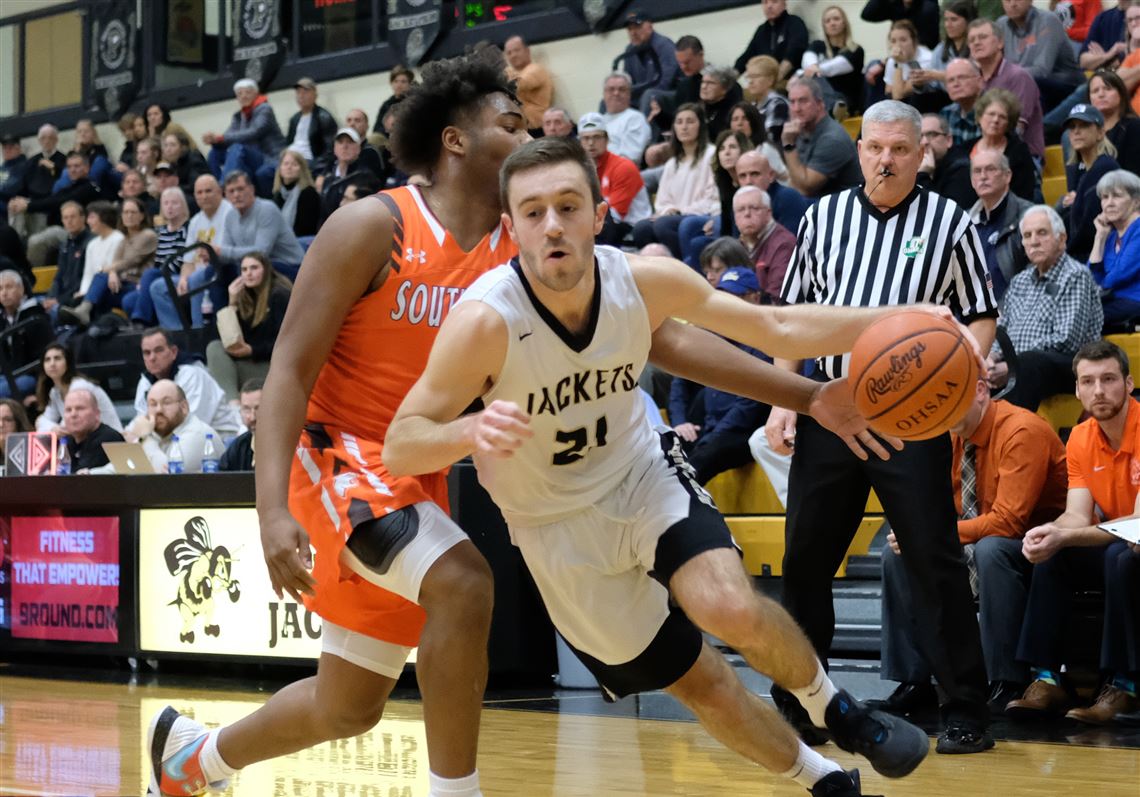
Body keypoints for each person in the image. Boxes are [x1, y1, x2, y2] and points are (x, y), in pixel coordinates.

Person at [384, 135, 938, 797]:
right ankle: (821, 778)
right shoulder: (484, 322)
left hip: (640, 475)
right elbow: (401, 443)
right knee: (701, 681)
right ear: (511, 228)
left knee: (727, 604)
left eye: (568, 206)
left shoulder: (641, 282)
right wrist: (469, 429)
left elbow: (777, 329)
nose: (552, 225)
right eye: (533, 212)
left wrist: (902, 319)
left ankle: (835, 707)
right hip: (553, 527)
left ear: (600, 214)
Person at [145, 54, 528, 797]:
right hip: (337, 458)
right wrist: (269, 511)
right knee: (464, 583)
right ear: (454, 140)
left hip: (413, 471)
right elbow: (286, 371)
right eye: (511, 123)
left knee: (348, 705)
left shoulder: (515, 248)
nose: (530, 135)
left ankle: (193, 759)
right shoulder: (373, 225)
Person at [766, 100, 999, 755]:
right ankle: (800, 700)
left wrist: (965, 375)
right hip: (831, 409)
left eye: (900, 149)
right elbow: (792, 315)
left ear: (922, 153)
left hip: (911, 418)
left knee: (933, 559)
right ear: (860, 150)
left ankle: (965, 709)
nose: (886, 160)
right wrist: (783, 400)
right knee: (804, 561)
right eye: (875, 148)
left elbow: (980, 312)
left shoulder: (951, 221)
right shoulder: (822, 218)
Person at [875, 380, 1067, 717]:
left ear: (979, 390)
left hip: (1042, 548)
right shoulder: (946, 437)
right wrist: (915, 534)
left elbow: (1008, 523)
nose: (940, 408)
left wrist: (930, 535)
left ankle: (1006, 680)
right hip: (982, 539)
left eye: (947, 396)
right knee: (897, 555)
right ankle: (916, 681)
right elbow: (932, 509)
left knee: (991, 550)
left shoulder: (1021, 430)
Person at [1005, 340, 1140, 724]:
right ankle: (1047, 678)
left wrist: (1066, 535)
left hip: (1133, 543)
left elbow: (1136, 526)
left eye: (1109, 379)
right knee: (1054, 552)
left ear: (1129, 384)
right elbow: (1076, 516)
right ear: (1077, 390)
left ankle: (1124, 685)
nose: (1099, 390)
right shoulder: (1080, 436)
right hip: (1123, 542)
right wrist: (1048, 532)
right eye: (1088, 381)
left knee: (1119, 558)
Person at [986, 205, 1103, 411]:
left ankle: (1014, 428)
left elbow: (1066, 340)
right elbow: (1001, 330)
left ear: (1062, 239)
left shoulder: (1075, 275)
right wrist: (992, 358)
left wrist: (1012, 365)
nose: (1034, 241)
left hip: (1072, 365)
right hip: (1022, 364)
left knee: (1031, 362)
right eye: (1027, 235)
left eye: (1042, 233)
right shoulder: (1020, 280)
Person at [668, 266, 773, 484]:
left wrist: (711, 437)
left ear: (755, 297)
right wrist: (680, 422)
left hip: (742, 432)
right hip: (711, 426)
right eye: (724, 297)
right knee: (668, 447)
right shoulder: (712, 335)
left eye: (736, 296)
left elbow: (747, 408)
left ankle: (677, 500)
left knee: (705, 456)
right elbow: (679, 381)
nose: (730, 303)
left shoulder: (764, 343)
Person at [631, 104, 718, 257]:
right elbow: (662, 200)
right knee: (641, 228)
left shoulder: (711, 155)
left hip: (702, 214)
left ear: (701, 126)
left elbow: (712, 197)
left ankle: (682, 267)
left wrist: (680, 211)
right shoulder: (672, 163)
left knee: (663, 225)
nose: (684, 127)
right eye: (679, 122)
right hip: (675, 216)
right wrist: (668, 210)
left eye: (690, 121)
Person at [150, 174, 234, 330]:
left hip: (222, 269)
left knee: (195, 279)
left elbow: (230, 251)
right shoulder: (196, 221)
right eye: (200, 192)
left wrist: (212, 255)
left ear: (219, 191)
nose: (204, 196)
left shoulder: (229, 212)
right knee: (158, 286)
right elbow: (188, 261)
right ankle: (176, 332)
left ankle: (198, 329)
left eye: (208, 191)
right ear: (194, 196)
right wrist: (183, 278)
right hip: (197, 272)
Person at [59, 196, 157, 328]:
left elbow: (130, 261)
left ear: (142, 216)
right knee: (97, 287)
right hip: (123, 283)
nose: (129, 216)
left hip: (138, 283)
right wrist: (111, 272)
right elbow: (115, 263)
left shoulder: (148, 235)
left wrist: (108, 270)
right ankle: (88, 320)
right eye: (125, 212)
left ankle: (87, 315)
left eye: (133, 212)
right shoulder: (124, 239)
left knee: (101, 278)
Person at [206, 252, 292, 401]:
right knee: (215, 348)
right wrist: (232, 304)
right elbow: (227, 339)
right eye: (244, 269)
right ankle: (234, 404)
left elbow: (286, 345)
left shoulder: (279, 296)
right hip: (252, 362)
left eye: (254, 268)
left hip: (274, 368)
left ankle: (233, 405)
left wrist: (252, 350)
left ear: (266, 269)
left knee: (223, 371)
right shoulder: (245, 295)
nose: (248, 273)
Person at [130, 327, 241, 438]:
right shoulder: (145, 382)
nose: (152, 358)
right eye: (147, 353)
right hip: (181, 441)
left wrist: (145, 434)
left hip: (223, 439)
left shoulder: (193, 374)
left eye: (159, 350)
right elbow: (142, 422)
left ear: (173, 352)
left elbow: (191, 427)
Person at [946, 89, 1039, 209]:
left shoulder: (1018, 151)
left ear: (1009, 123)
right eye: (991, 114)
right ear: (979, 117)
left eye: (1002, 117)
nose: (995, 120)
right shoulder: (962, 150)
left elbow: (1024, 192)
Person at [969, 18, 1046, 160]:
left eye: (983, 37)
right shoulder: (975, 80)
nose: (976, 42)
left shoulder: (1018, 76)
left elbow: (1017, 129)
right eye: (972, 40)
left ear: (1000, 43)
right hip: (983, 153)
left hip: (1022, 156)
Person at [968, 149, 1035, 300]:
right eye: (977, 171)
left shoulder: (1028, 216)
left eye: (990, 169)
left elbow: (1035, 273)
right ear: (972, 181)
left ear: (1007, 176)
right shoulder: (963, 222)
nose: (983, 176)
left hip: (1013, 307)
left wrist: (1005, 309)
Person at [780, 76, 862, 199]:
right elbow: (794, 180)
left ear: (819, 104)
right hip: (818, 202)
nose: (797, 109)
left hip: (841, 206)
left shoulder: (833, 139)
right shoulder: (800, 129)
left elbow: (806, 189)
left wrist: (788, 145)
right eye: (792, 102)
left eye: (803, 101)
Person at [202, 78, 286, 197]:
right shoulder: (238, 116)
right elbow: (228, 137)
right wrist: (214, 140)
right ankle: (216, 187)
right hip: (250, 157)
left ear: (256, 93)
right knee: (215, 153)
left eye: (247, 92)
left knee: (238, 147)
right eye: (240, 94)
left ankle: (224, 186)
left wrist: (221, 137)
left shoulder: (265, 109)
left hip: (268, 157)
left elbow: (253, 132)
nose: (243, 96)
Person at [577, 113, 651, 246]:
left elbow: (615, 215)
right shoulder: (581, 170)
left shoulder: (623, 167)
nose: (591, 143)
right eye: (586, 138)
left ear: (607, 140)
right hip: (602, 225)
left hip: (630, 227)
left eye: (597, 137)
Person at [997, 0, 1083, 109]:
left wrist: (1006, 76)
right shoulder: (1001, 24)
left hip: (1063, 87)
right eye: (1008, 0)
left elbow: (1042, 71)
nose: (1012, 4)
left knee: (1027, 83)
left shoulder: (1048, 21)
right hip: (1021, 84)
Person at [1062, 104, 1120, 262]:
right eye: (1072, 127)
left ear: (1100, 133)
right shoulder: (1080, 172)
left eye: (1084, 125)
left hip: (1100, 257)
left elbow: (1089, 229)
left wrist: (1064, 255)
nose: (1076, 131)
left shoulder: (1104, 167)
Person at [133, 379, 220, 473]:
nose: (159, 410)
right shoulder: (161, 433)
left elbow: (168, 477)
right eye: (153, 404)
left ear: (184, 407)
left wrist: (146, 439)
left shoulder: (197, 434)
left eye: (166, 403)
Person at [32, 342, 122, 434]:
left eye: (57, 358)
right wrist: (53, 428)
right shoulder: (55, 392)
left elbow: (69, 427)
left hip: (109, 438)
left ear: (68, 363)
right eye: (47, 360)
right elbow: (42, 421)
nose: (52, 364)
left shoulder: (79, 387)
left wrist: (51, 428)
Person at [1090, 169, 1140, 328]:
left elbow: (1117, 276)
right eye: (1105, 197)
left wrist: (1094, 288)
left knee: (1081, 317)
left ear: (1136, 201)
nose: (1109, 203)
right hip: (1112, 301)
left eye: (1117, 196)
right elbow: (1090, 277)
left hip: (1134, 301)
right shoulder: (1110, 236)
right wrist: (1099, 237)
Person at [734, 186, 795, 304]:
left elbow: (777, 298)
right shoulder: (736, 245)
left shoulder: (784, 244)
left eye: (754, 208)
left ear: (768, 213)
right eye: (740, 209)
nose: (747, 214)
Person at [802, 6, 865, 116]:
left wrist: (813, 69)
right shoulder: (817, 45)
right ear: (824, 26)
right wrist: (811, 70)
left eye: (836, 19)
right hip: (819, 98)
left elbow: (834, 67)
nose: (832, 23)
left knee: (815, 75)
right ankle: (831, 107)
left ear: (844, 23)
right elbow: (807, 60)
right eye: (828, 21)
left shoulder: (855, 50)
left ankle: (834, 107)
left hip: (845, 100)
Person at [616, 9, 680, 114]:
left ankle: (642, 125)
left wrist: (638, 93)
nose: (633, 33)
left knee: (649, 95)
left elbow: (665, 83)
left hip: (668, 96)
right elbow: (628, 83)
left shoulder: (664, 46)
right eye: (629, 29)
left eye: (637, 27)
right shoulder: (629, 50)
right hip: (642, 97)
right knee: (612, 98)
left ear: (650, 26)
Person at [0, 269, 51, 399]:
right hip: (8, 374)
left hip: (30, 375)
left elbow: (43, 355)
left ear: (21, 289)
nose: (4, 293)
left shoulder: (35, 316)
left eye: (9, 287)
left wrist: (39, 391)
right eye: (0, 289)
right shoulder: (3, 319)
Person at [735, 149, 810, 236]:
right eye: (742, 176)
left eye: (755, 174)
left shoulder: (788, 197)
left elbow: (791, 241)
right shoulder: (738, 202)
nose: (748, 181)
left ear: (771, 175)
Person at [735, 0, 809, 84]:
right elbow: (747, 56)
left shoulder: (794, 22)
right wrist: (729, 80)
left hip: (792, 81)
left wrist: (774, 79)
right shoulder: (761, 30)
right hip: (767, 82)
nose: (769, 6)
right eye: (765, 2)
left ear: (784, 4)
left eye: (774, 1)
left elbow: (795, 51)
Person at [42, 200, 92, 317]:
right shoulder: (65, 245)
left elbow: (84, 279)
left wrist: (59, 300)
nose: (69, 221)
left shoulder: (91, 243)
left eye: (73, 217)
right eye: (65, 218)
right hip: (61, 297)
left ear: (83, 218)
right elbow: (59, 277)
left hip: (78, 298)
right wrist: (51, 298)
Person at [1087, 70, 1140, 177]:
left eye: (1108, 89)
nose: (1101, 94)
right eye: (1095, 91)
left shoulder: (1134, 126)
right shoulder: (1086, 132)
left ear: (1121, 94)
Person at [62, 387, 124, 473]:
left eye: (80, 408)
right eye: (68, 410)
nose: (73, 414)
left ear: (97, 413)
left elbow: (80, 477)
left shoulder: (109, 438)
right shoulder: (66, 440)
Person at [284, 77, 338, 173]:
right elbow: (288, 143)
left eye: (305, 92)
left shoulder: (324, 117)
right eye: (298, 92)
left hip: (310, 161)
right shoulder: (295, 119)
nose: (301, 96)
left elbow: (330, 149)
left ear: (315, 95)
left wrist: (319, 166)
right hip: (291, 158)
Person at [504, 35, 553, 135]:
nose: (513, 55)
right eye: (509, 53)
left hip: (536, 130)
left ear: (527, 51)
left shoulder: (536, 70)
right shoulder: (509, 71)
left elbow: (520, 84)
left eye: (517, 50)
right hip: (519, 129)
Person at [601, 72, 653, 164]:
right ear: (604, 94)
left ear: (629, 94)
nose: (616, 93)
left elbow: (629, 158)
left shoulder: (635, 119)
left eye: (622, 89)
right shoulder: (598, 121)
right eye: (611, 89)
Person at [272, 149, 321, 238]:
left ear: (302, 169)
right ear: (280, 168)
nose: (289, 167)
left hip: (303, 240)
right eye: (286, 164)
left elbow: (307, 228)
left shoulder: (309, 193)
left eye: (294, 164)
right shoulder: (277, 193)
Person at [927, 1, 975, 85]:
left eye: (954, 19)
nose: (948, 25)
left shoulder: (976, 47)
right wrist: (919, 83)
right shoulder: (940, 49)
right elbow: (932, 85)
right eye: (946, 20)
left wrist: (940, 76)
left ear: (968, 21)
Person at [744, 56, 791, 143]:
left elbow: (771, 140)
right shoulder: (753, 105)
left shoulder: (778, 104)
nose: (750, 81)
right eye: (748, 77)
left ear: (770, 80)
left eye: (755, 76)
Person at [861, 0, 941, 50]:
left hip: (924, 55)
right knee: (872, 66)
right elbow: (867, 14)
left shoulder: (928, 7)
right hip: (901, 54)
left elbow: (926, 45)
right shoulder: (897, 5)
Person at [219, 378, 261, 472]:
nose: (252, 417)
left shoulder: (286, 446)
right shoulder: (239, 446)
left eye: (258, 408)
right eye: (246, 409)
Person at [940, 58, 984, 145]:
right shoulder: (946, 113)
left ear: (979, 82)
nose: (956, 84)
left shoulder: (992, 114)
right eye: (950, 80)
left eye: (962, 78)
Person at [161, 130, 209, 196]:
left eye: (172, 145)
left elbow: (194, 187)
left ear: (183, 147)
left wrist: (170, 189)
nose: (168, 149)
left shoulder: (194, 161)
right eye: (166, 145)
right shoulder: (174, 163)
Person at [374, 65, 415, 136]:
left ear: (410, 84)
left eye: (403, 82)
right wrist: (388, 128)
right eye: (396, 81)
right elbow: (377, 129)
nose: (399, 85)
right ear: (391, 84)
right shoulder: (386, 105)